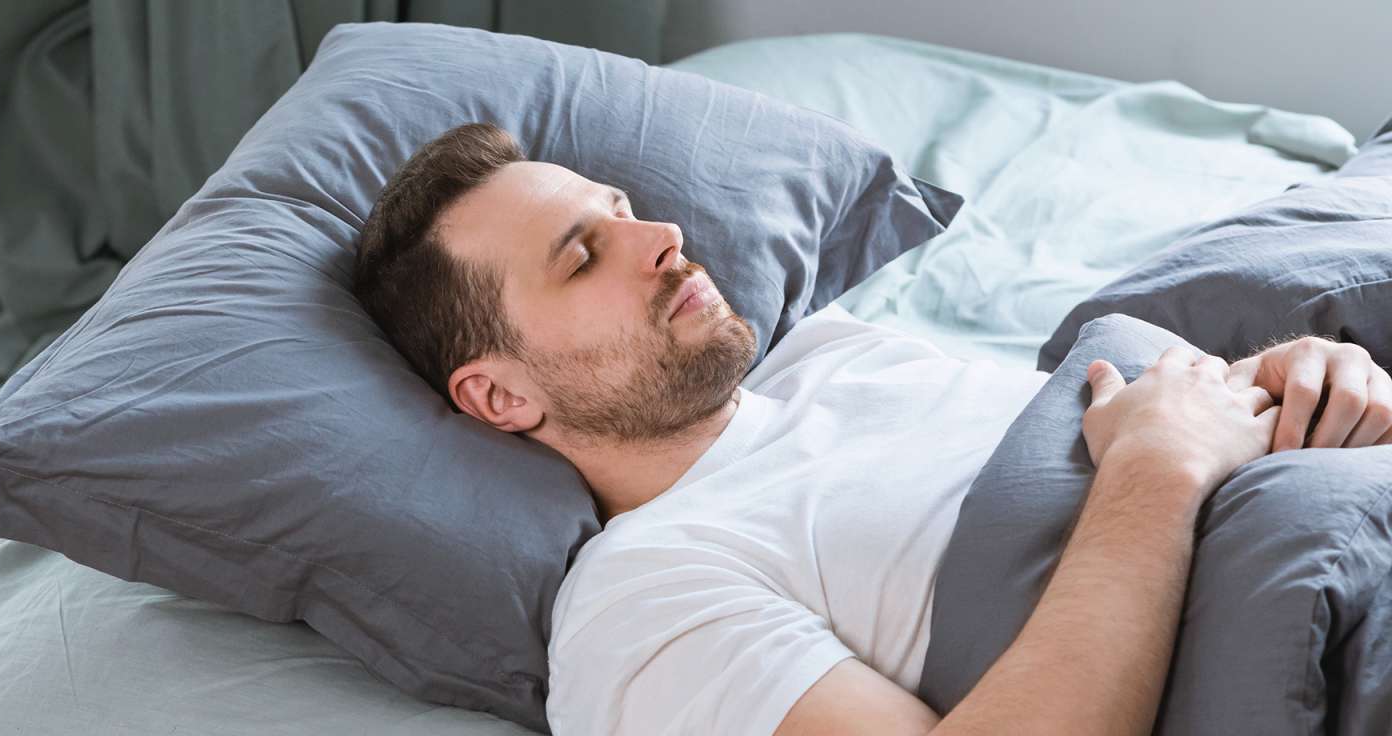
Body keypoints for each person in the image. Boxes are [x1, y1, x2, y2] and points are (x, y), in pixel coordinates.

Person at [351, 123, 1392, 736]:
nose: (662, 236)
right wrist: (1157, 473)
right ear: (500, 397)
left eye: (625, 209)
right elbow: (1148, 459)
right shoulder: (641, 601)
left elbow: (1138, 419)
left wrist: (1292, 380)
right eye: (583, 257)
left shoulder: (837, 353)